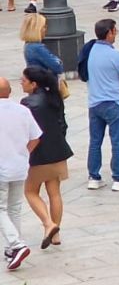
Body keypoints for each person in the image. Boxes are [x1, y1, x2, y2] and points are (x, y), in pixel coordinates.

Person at [20, 66, 70, 251]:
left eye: (23, 81)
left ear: (34, 83)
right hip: (58, 150)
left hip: (38, 154)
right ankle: (55, 234)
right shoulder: (54, 98)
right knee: (54, 192)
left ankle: (48, 224)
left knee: (31, 191)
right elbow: (63, 123)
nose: (21, 83)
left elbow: (27, 131)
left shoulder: (27, 103)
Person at [85, 19, 119, 191]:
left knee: (95, 141)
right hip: (113, 102)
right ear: (109, 33)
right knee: (117, 141)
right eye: (115, 30)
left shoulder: (91, 51)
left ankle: (94, 177)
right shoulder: (115, 55)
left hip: (94, 102)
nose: (116, 33)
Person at [0, 76, 41, 271]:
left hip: (1, 168)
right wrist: (23, 153)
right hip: (19, 165)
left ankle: (16, 244)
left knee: (0, 209)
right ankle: (10, 249)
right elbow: (36, 137)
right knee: (14, 208)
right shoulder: (23, 111)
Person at [20, 12, 63, 77]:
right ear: (37, 29)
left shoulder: (28, 45)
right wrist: (58, 61)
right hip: (44, 82)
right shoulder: (37, 48)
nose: (45, 29)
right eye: (44, 27)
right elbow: (57, 67)